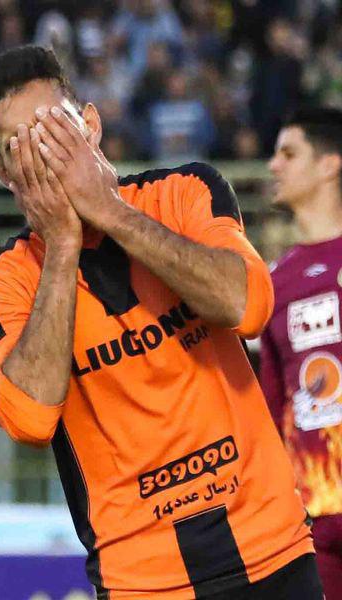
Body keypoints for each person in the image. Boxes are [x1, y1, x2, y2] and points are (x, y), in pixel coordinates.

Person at [0, 45, 320, 599]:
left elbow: (247, 306)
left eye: (55, 129)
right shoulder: (4, 278)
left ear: (90, 125)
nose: (45, 154)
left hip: (272, 549)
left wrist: (108, 209)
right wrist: (62, 245)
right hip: (142, 581)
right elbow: (30, 420)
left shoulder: (184, 191)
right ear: (3, 173)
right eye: (22, 146)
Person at [261, 107, 342, 600]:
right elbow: (271, 406)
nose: (273, 165)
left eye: (289, 154)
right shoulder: (275, 282)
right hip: (314, 518)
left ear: (330, 164)